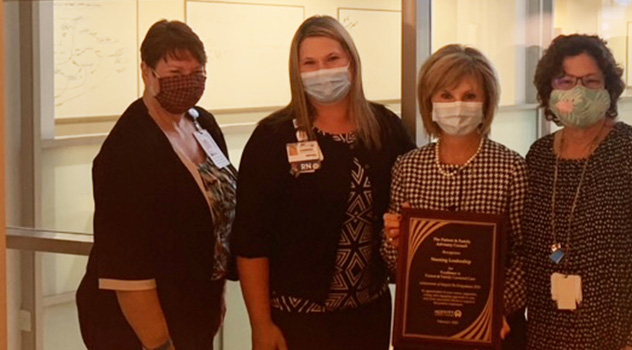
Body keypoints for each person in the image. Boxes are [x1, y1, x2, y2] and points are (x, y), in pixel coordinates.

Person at [232, 15, 415, 350]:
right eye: (310, 63)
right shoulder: (272, 137)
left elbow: (413, 206)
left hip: (369, 314)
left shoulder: (387, 129)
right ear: (296, 71)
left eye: (332, 59)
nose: (322, 71)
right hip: (296, 319)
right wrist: (260, 324)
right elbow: (251, 240)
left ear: (351, 62)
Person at [523, 34, 632, 350]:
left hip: (622, 336)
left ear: (609, 89)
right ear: (549, 89)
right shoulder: (539, 156)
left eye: (590, 81)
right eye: (566, 81)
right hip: (547, 333)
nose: (578, 91)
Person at [76, 20, 237, 350]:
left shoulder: (202, 123)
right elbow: (126, 267)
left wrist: (216, 296)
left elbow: (217, 213)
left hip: (194, 309)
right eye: (175, 72)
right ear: (147, 72)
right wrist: (160, 344)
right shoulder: (127, 149)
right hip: (139, 328)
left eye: (197, 73)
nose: (188, 82)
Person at [381, 44, 528, 349]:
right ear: (429, 101)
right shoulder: (408, 167)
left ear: (486, 102)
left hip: (494, 330)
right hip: (425, 329)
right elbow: (394, 265)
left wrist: (491, 308)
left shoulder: (511, 167)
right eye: (446, 95)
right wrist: (397, 242)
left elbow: (526, 255)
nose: (457, 105)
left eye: (469, 96)